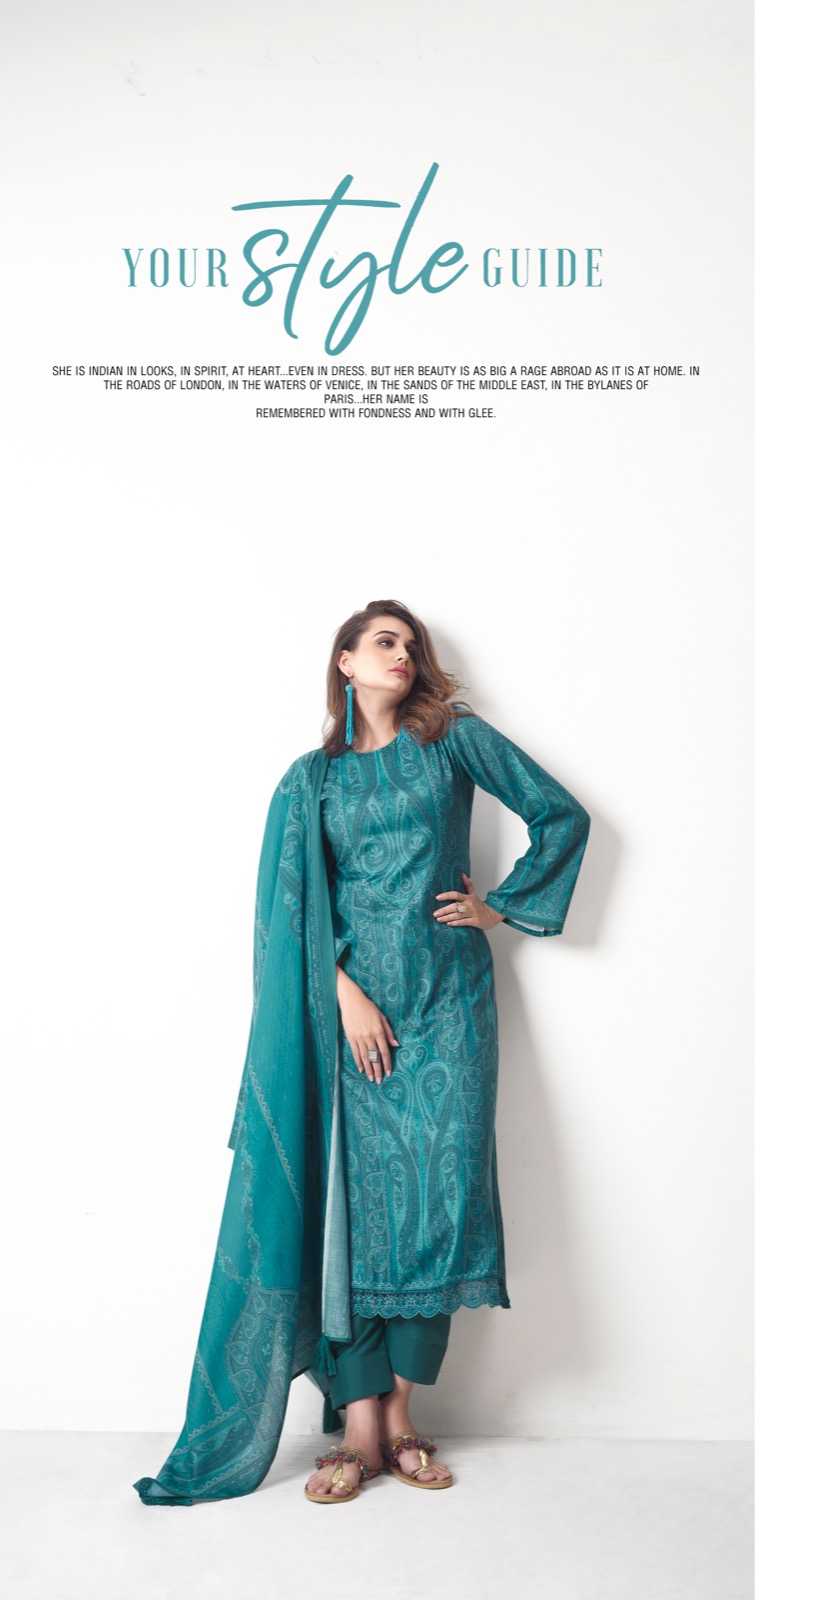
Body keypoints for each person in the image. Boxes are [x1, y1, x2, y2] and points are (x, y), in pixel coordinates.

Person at [132, 599, 590, 1509]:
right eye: (385, 642)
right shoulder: (312, 782)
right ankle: (356, 1425)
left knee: (440, 1207)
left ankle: (403, 1416)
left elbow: (561, 814)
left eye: (411, 645)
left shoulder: (453, 742)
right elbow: (293, 915)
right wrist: (343, 996)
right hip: (348, 1020)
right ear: (344, 661)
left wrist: (500, 905)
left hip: (450, 1008)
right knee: (354, 1210)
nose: (402, 654)